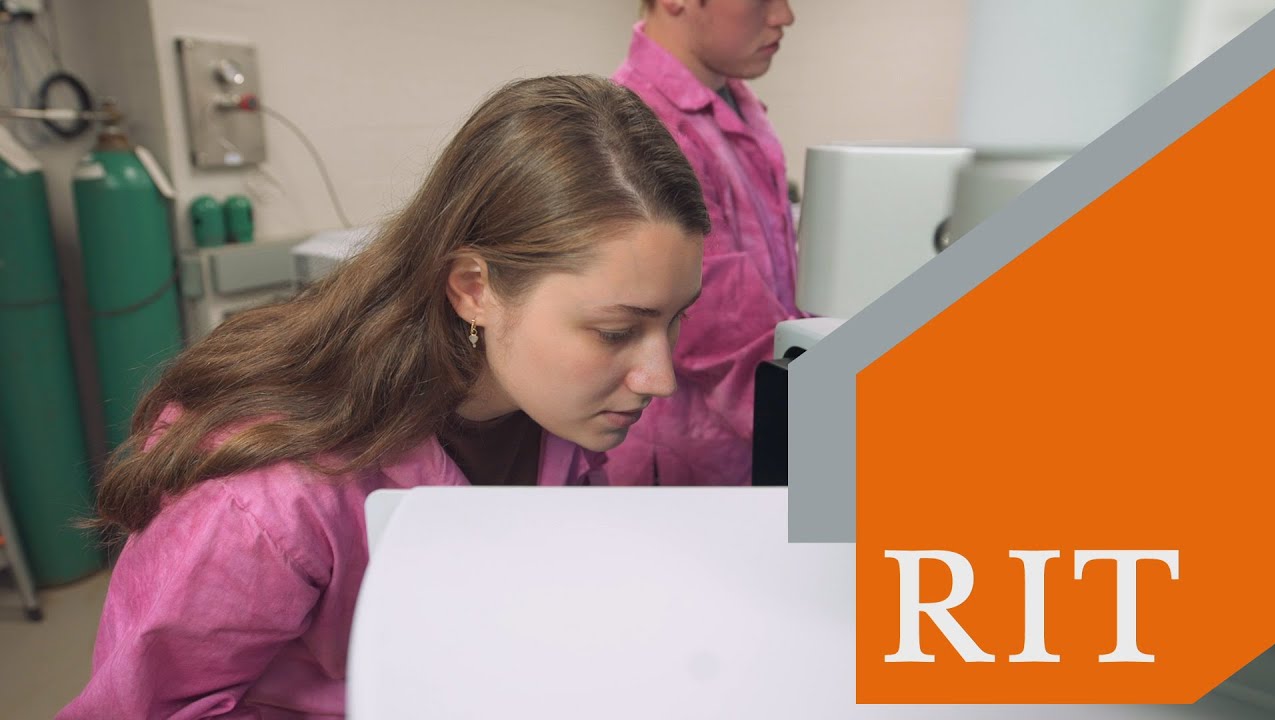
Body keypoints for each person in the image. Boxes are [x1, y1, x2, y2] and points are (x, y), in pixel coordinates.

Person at [58, 74, 708, 719]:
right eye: (616, 331)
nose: (660, 376)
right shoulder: (267, 497)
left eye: (675, 320)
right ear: (473, 289)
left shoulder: (550, 409)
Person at [610, 0, 801, 486]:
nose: (784, 16)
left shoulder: (732, 102)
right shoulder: (645, 125)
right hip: (685, 467)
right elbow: (718, 330)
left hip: (749, 437)